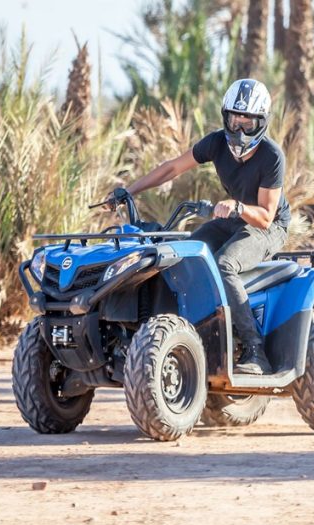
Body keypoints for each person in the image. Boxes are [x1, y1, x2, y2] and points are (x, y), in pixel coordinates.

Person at [112, 78, 290, 375]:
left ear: (262, 122)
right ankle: (190, 335)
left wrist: (237, 207)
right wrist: (130, 190)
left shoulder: (272, 157)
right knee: (185, 258)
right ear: (226, 117)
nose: (240, 129)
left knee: (224, 264)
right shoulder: (216, 143)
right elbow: (171, 168)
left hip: (266, 227)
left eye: (249, 122)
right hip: (233, 220)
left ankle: (255, 350)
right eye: (235, 119)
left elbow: (266, 216)